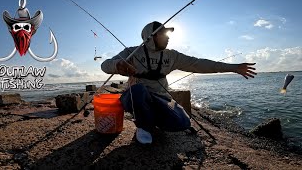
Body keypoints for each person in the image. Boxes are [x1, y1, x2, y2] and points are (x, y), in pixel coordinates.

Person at [101, 21, 256, 144]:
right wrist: (118, 65)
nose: (168, 37)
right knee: (138, 91)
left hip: (162, 98)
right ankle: (143, 127)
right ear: (151, 36)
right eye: (164, 34)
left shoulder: (172, 56)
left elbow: (198, 63)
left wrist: (234, 68)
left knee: (183, 123)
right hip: (136, 97)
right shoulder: (132, 52)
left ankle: (153, 119)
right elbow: (105, 65)